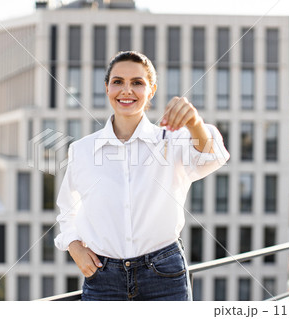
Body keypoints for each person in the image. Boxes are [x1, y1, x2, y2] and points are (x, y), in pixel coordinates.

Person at [54, 51, 230, 301]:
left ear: (151, 90)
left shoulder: (170, 140)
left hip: (164, 276)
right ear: (107, 88)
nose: (126, 90)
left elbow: (212, 155)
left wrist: (194, 122)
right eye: (118, 82)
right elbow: (67, 209)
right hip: (103, 278)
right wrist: (74, 247)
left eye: (137, 83)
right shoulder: (82, 150)